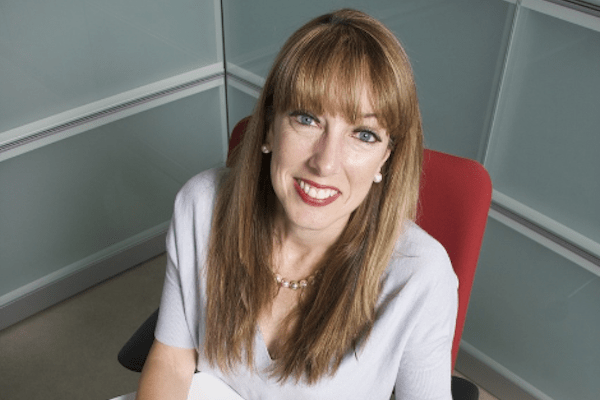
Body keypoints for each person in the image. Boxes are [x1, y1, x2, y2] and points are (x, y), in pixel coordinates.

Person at [136, 8, 457, 400]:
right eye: (307, 119)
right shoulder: (202, 205)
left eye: (364, 134)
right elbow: (171, 359)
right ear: (269, 126)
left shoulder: (421, 275)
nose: (324, 162)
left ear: (386, 159)